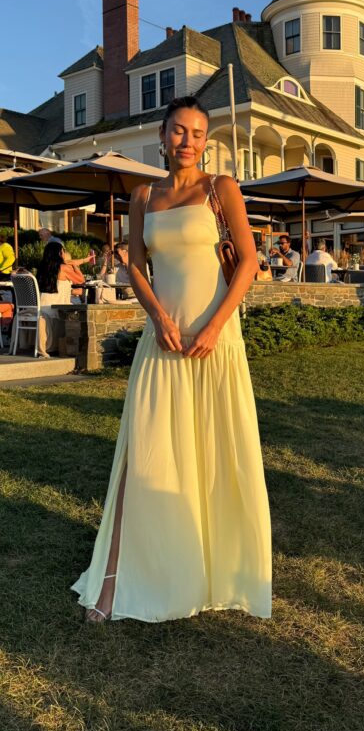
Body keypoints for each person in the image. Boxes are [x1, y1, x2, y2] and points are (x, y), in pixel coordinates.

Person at [72, 95, 272, 624]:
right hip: (161, 343)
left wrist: (214, 326)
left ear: (208, 142)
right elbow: (135, 267)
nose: (188, 141)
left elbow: (249, 262)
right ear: (162, 137)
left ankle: (216, 571)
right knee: (145, 457)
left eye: (198, 133)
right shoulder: (143, 196)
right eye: (178, 131)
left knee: (215, 455)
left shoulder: (220, 189)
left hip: (215, 342)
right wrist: (159, 318)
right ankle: (114, 583)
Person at [36, 243, 85, 355]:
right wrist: (73, 264)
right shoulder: (63, 267)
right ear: (60, 253)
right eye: (63, 250)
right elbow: (81, 280)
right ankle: (73, 346)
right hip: (56, 307)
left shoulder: (42, 267)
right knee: (79, 311)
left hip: (42, 306)